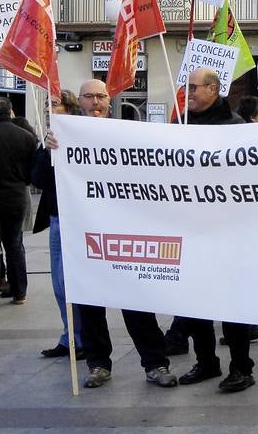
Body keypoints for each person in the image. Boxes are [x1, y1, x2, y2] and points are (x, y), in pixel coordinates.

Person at [49, 80, 179, 389]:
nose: (95, 101)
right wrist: (49, 151)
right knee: (89, 301)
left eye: (101, 96)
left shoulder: (125, 133)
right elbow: (40, 181)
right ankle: (98, 364)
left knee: (136, 300)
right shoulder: (62, 136)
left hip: (123, 230)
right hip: (86, 233)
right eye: (89, 96)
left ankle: (155, 363)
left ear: (110, 100)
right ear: (78, 101)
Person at [171, 67, 257, 393]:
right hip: (191, 228)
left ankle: (241, 367)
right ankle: (206, 362)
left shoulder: (234, 127)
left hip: (226, 230)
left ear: (212, 89)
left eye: (193, 87)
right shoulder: (179, 126)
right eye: (186, 87)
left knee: (231, 303)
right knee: (194, 304)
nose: (188, 92)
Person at [0, 97, 39, 306]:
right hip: (17, 195)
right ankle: (19, 291)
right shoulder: (26, 136)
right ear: (11, 111)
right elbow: (33, 172)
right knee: (15, 245)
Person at [35, 91, 83, 359]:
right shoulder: (50, 140)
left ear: (69, 108)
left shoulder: (82, 135)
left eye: (54, 104)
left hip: (81, 219)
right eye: (47, 105)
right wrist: (47, 151)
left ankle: (84, 338)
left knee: (77, 283)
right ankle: (70, 337)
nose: (49, 109)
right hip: (57, 217)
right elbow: (37, 178)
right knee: (60, 284)